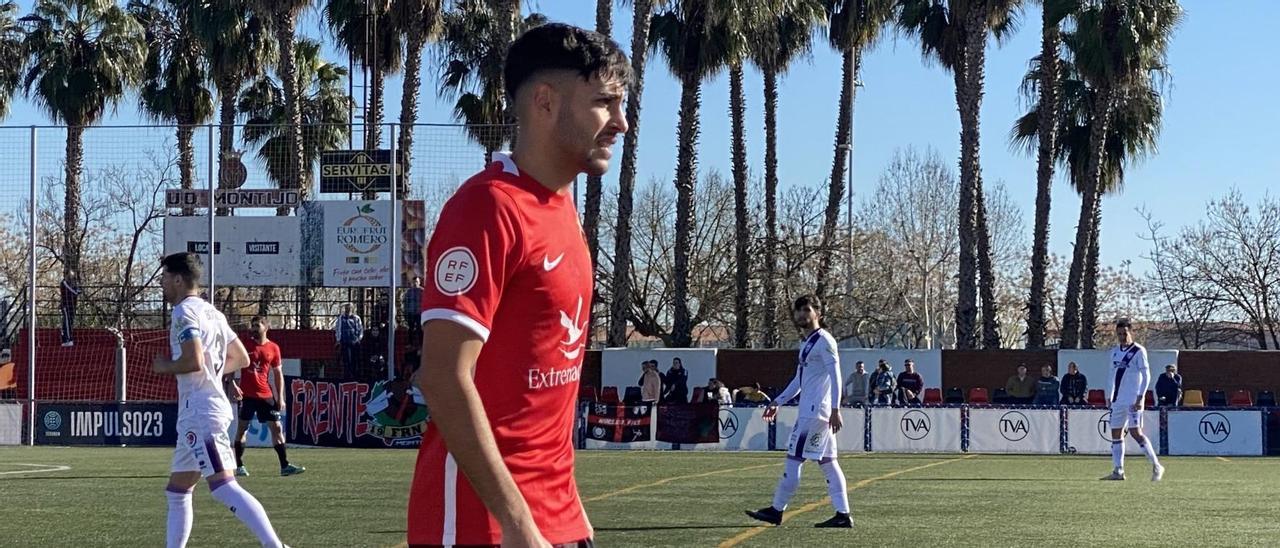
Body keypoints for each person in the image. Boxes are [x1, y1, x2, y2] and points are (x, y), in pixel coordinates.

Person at [408, 23, 631, 548]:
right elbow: (442, 376)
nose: (621, 123)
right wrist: (516, 520)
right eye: (605, 103)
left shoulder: (563, 211)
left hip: (556, 519)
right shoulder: (487, 208)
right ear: (546, 102)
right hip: (479, 527)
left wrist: (566, 511)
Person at [150, 253, 284, 548]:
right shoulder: (213, 313)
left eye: (163, 279)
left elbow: (193, 361)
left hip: (201, 411)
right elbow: (242, 358)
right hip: (201, 410)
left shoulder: (184, 312)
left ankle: (275, 546)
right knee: (177, 490)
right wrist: (215, 372)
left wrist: (166, 366)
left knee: (223, 485)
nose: (161, 285)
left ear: (177, 279)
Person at [746, 295, 851, 529]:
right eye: (798, 311)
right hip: (813, 411)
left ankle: (776, 510)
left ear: (818, 314)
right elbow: (799, 380)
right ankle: (843, 514)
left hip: (815, 413)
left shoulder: (825, 341)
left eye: (806, 310)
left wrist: (836, 409)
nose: (801, 315)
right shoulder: (806, 343)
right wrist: (777, 401)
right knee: (828, 462)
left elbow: (836, 376)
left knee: (793, 461)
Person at [227, 316, 304, 478]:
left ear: (266, 327)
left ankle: (285, 465)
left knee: (277, 428)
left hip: (266, 395)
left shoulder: (273, 348)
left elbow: (278, 374)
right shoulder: (245, 344)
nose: (254, 329)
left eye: (257, 326)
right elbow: (231, 364)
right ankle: (239, 465)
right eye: (252, 326)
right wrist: (232, 384)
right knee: (241, 429)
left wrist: (280, 397)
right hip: (247, 395)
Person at [1101, 318, 1164, 482]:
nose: (1122, 336)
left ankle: (1157, 465)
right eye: (1119, 334)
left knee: (1136, 432)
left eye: (1125, 333)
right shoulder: (1114, 352)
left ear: (1131, 332)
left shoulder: (1138, 351)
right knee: (1116, 433)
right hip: (1117, 400)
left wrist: (1140, 397)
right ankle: (1118, 470)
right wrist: (1109, 395)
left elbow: (1146, 375)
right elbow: (1110, 375)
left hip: (1133, 400)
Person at [334, 303, 363, 378]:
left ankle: (355, 376)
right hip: (345, 342)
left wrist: (359, 338)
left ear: (352, 309)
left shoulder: (356, 318)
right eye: (347, 308)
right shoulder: (341, 318)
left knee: (355, 360)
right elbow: (338, 329)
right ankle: (347, 377)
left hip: (355, 342)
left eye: (350, 308)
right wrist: (338, 339)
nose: (348, 309)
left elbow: (360, 329)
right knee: (346, 360)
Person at [60, 269, 80, 347]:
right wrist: (76, 291)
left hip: (72, 305)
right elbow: (74, 292)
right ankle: (67, 339)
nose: (71, 276)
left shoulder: (73, 283)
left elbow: (78, 290)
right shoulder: (64, 283)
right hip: (66, 305)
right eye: (70, 275)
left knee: (70, 322)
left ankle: (68, 338)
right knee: (67, 322)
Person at [403, 276, 423, 344]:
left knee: (419, 328)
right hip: (410, 313)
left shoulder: (422, 291)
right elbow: (405, 303)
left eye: (416, 282)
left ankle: (421, 343)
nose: (415, 283)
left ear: (419, 282)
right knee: (410, 328)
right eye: (414, 282)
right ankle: (410, 343)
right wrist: (405, 312)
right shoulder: (408, 292)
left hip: (419, 313)